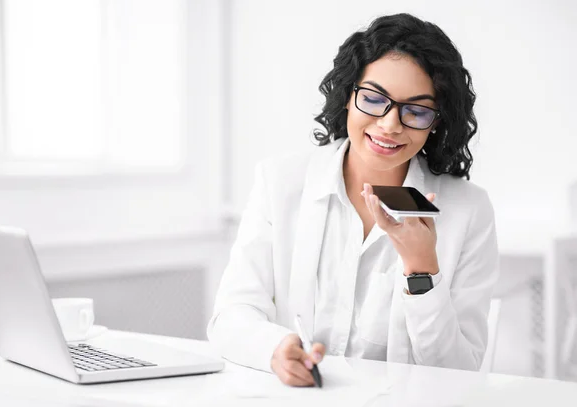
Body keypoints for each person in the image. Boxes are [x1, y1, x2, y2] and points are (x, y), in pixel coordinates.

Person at [207, 13, 499, 387]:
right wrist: (275, 348)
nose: (390, 124)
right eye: (375, 99)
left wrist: (421, 269)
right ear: (348, 96)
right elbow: (231, 317)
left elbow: (457, 374)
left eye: (417, 110)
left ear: (437, 121)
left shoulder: (468, 211)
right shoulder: (279, 182)